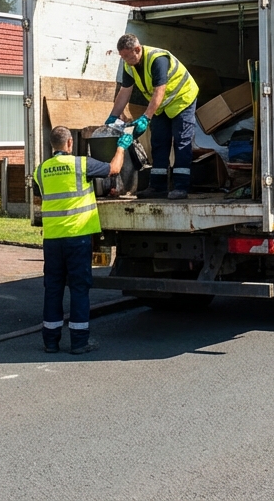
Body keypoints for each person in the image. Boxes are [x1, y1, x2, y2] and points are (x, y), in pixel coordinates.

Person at [33, 126, 127, 354]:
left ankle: (51, 341)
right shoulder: (81, 164)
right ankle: (79, 341)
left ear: (52, 145)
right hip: (77, 236)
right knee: (79, 288)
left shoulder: (40, 170)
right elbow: (113, 169)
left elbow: (40, 198)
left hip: (53, 239)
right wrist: (121, 147)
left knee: (53, 289)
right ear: (69, 144)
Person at [106, 33, 200, 200]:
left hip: (182, 99)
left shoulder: (158, 59)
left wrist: (146, 117)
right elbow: (125, 92)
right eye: (122, 57)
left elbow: (160, 90)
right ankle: (157, 187)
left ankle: (181, 187)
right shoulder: (129, 66)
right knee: (158, 142)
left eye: (127, 56)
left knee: (181, 142)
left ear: (137, 49)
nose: (125, 61)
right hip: (161, 105)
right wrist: (113, 117)